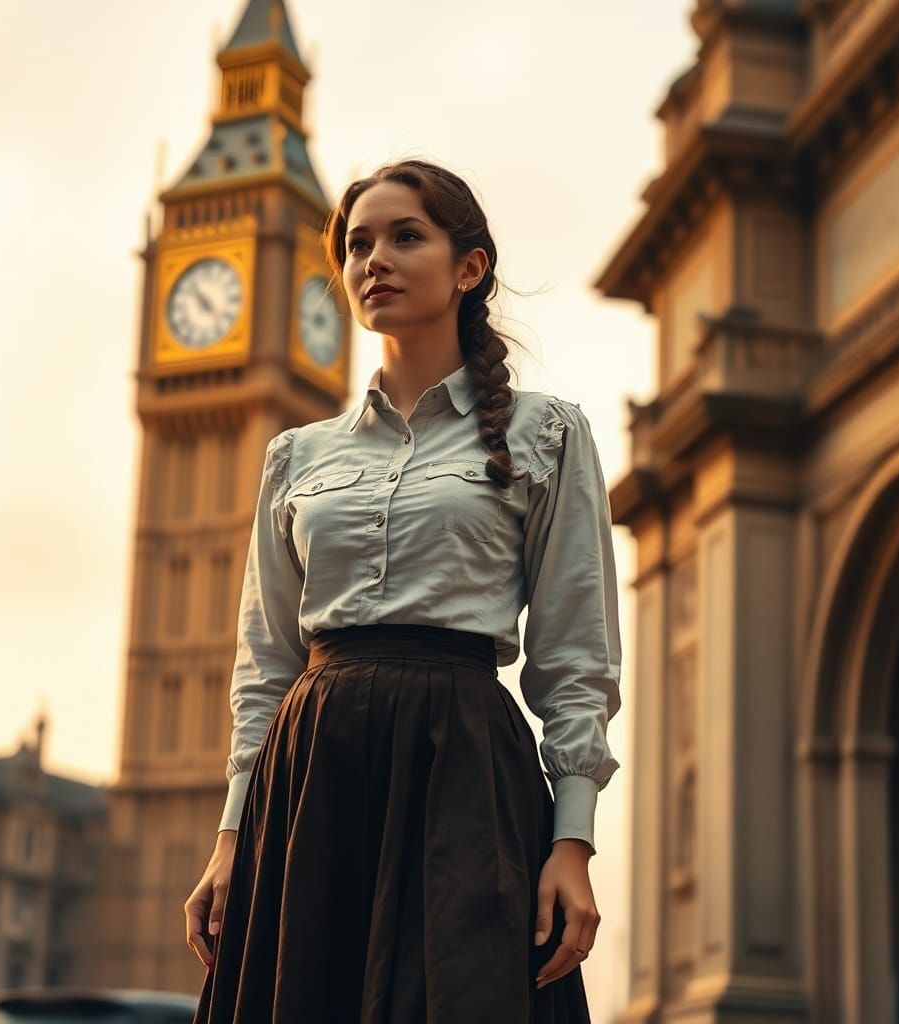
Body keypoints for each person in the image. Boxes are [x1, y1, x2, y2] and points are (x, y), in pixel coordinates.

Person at [183, 157, 622, 1023]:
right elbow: (266, 663)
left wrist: (571, 840)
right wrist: (232, 834)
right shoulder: (296, 457)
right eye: (357, 244)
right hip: (310, 781)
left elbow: (577, 657)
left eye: (404, 236)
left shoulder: (549, 432)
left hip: (462, 767)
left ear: (471, 267)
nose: (372, 259)